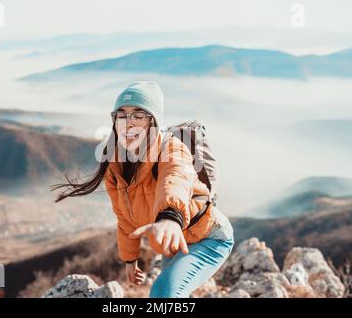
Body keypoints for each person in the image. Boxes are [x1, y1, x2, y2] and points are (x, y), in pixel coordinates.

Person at [53, 81, 234, 298]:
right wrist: (130, 259)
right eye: (121, 115)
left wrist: (169, 217)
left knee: (163, 293)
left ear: (154, 121)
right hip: (174, 241)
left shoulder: (173, 149)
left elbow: (175, 180)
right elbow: (125, 218)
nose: (128, 124)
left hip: (209, 237)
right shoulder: (115, 165)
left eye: (138, 115)